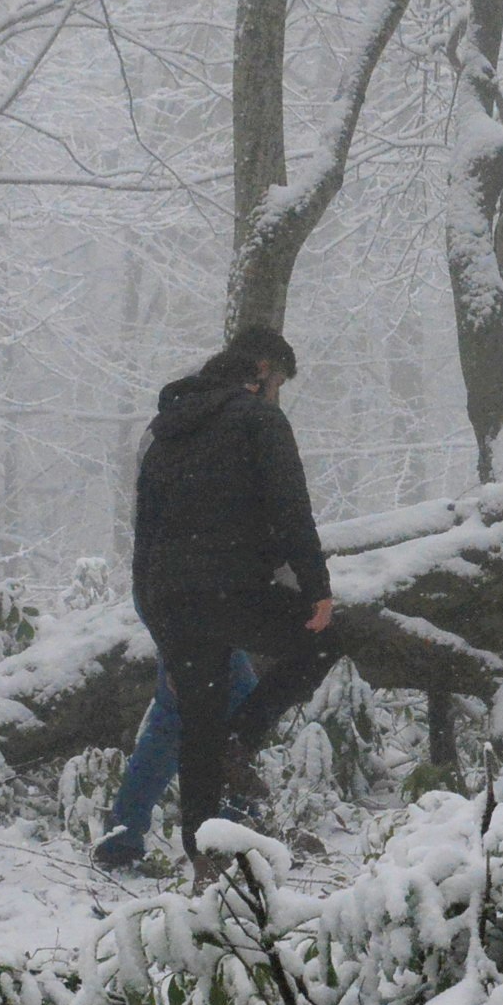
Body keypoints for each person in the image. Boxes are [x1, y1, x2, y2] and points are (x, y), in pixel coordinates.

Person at [131, 327, 342, 875]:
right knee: (325, 641)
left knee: (195, 726)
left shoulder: (164, 432)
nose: (278, 396)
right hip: (233, 589)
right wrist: (318, 592)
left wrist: (160, 629)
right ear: (264, 372)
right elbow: (292, 509)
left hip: (171, 597)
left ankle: (204, 862)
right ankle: (241, 741)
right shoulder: (259, 420)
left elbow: (144, 537)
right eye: (279, 384)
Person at [93, 652, 255, 872]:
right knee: (183, 717)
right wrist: (173, 654)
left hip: (206, 631)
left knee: (233, 705)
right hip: (192, 634)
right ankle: (233, 830)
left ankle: (235, 827)